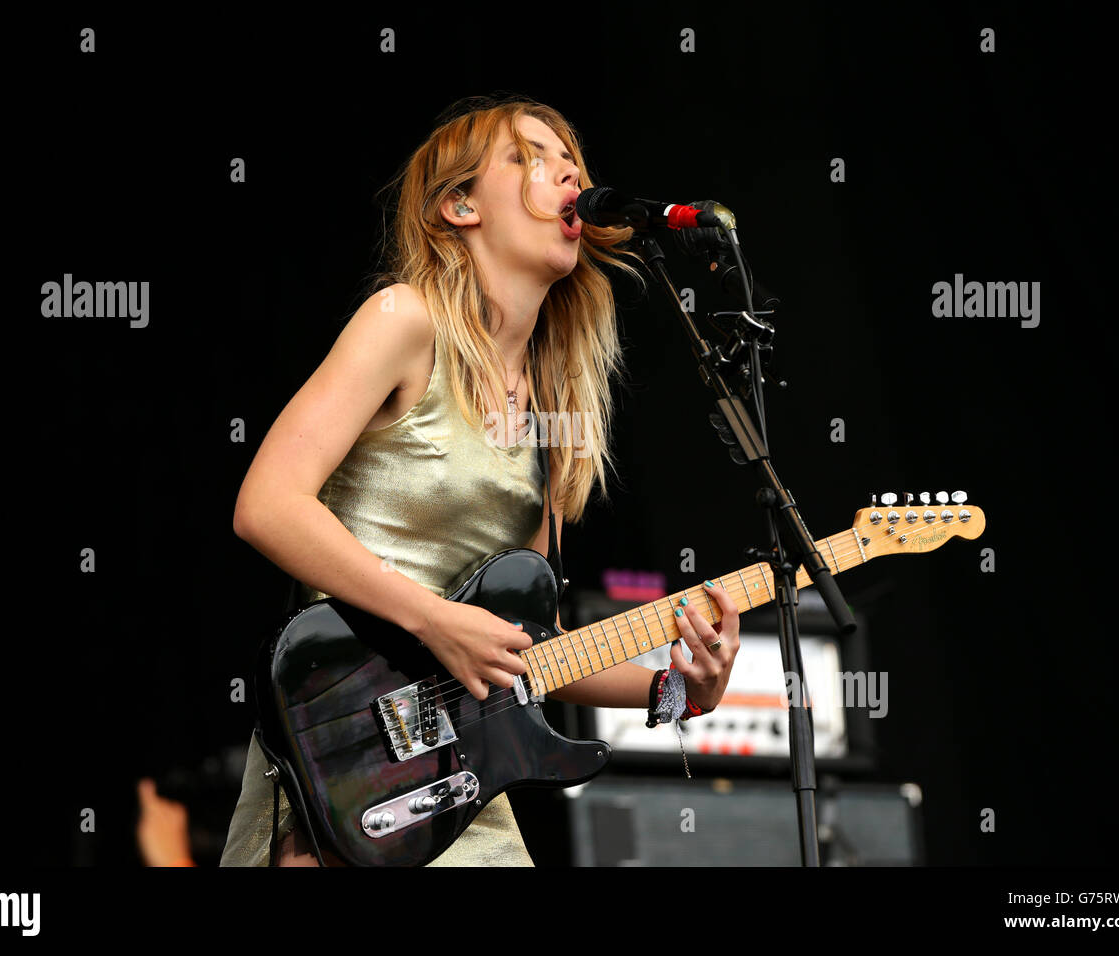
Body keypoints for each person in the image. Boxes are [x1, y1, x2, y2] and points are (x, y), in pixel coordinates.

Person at [220, 94, 740, 867]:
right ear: (459, 205)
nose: (566, 171)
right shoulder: (405, 320)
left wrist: (681, 691)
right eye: (528, 156)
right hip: (345, 767)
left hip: (462, 798)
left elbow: (534, 648)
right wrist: (434, 620)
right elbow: (266, 505)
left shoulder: (555, 407)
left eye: (571, 161)